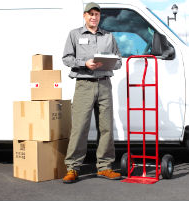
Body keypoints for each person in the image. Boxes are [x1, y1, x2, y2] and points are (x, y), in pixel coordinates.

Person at [62, 2, 122, 184]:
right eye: (90, 14)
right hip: (84, 85)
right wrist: (84, 63)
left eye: (96, 14)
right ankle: (73, 168)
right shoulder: (74, 34)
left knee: (106, 128)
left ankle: (104, 167)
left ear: (99, 16)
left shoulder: (108, 37)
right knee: (80, 128)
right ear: (84, 16)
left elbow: (119, 61)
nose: (93, 17)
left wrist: (108, 62)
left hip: (104, 84)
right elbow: (66, 58)